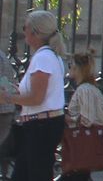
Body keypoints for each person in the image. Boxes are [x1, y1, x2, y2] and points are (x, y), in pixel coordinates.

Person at [0, 10, 66, 181]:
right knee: (24, 174)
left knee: (36, 174)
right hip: (42, 125)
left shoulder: (43, 58)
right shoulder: (49, 56)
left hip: (41, 126)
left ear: (35, 32)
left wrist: (7, 97)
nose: (23, 32)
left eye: (25, 27)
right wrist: (15, 90)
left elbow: (37, 98)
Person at [60, 51, 103, 181]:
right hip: (85, 148)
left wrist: (66, 118)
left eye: (71, 66)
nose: (69, 68)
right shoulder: (91, 88)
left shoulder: (85, 89)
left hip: (81, 145)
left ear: (78, 69)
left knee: (76, 175)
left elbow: (88, 120)